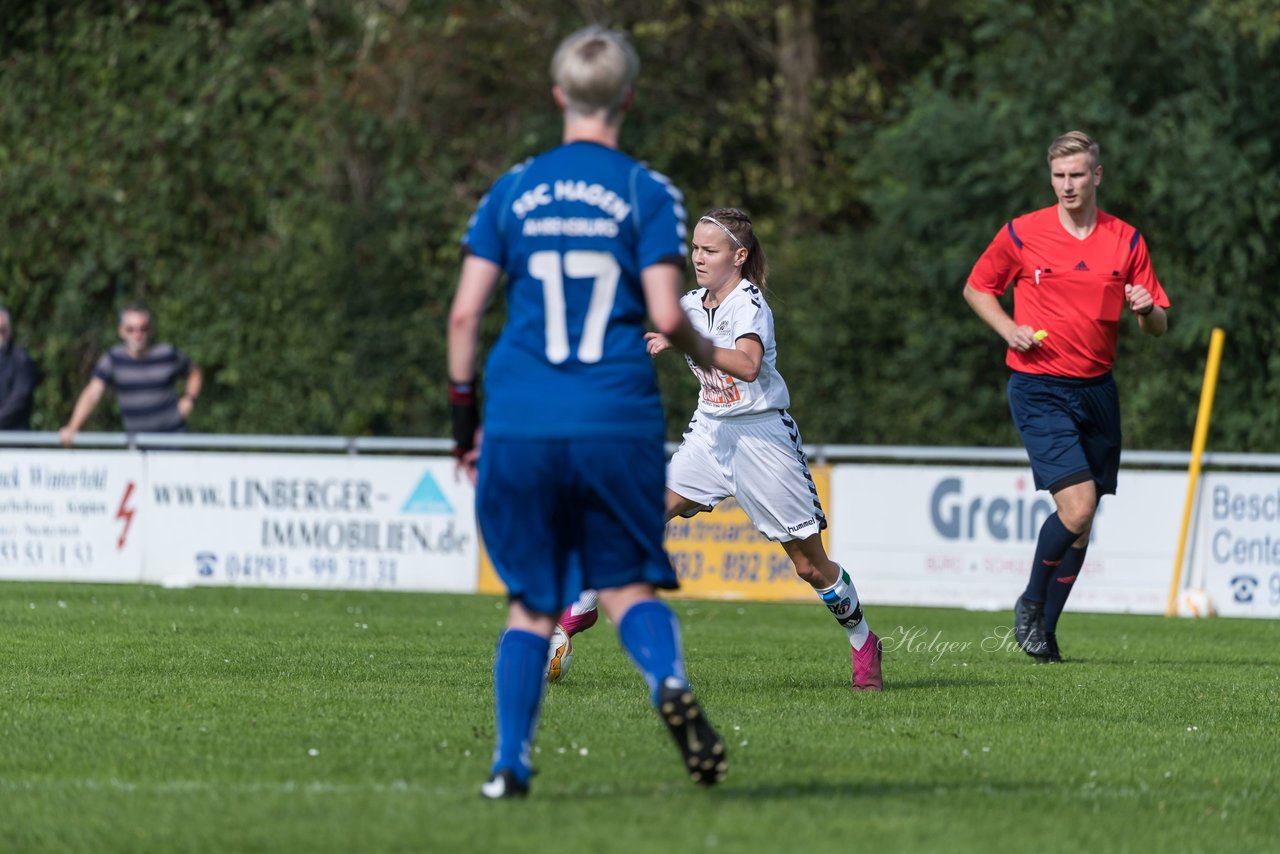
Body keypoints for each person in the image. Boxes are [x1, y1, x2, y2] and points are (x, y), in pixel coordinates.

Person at [447, 25, 725, 800]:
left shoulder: (513, 188)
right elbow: (668, 316)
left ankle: (510, 764)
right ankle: (666, 680)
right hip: (614, 414)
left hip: (524, 416)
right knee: (630, 585)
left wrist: (463, 424)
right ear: (628, 98)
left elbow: (466, 316)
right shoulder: (649, 191)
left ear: (559, 95)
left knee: (531, 602)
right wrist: (711, 359)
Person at [560, 207, 885, 693]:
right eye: (694, 247)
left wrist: (689, 341)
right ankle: (575, 615)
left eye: (709, 250)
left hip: (761, 439)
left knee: (809, 565)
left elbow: (750, 366)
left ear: (739, 255)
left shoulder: (749, 305)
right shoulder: (690, 304)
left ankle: (863, 641)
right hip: (711, 432)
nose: (698, 257)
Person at [963, 130, 1170, 662]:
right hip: (1039, 386)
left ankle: (1044, 635)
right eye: (1059, 176)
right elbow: (976, 287)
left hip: (1098, 390)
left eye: (1077, 174)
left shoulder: (1126, 240)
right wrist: (1006, 327)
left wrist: (1147, 308)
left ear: (1096, 175)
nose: (1067, 185)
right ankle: (1031, 604)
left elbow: (1159, 327)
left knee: (1083, 520)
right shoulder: (1023, 232)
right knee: (1077, 509)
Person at [59, 302, 203, 446]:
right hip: (137, 443)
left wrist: (189, 399)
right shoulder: (113, 358)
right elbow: (92, 393)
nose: (137, 334)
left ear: (151, 330)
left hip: (173, 439)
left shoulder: (167, 354)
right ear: (121, 331)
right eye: (131, 329)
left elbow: (194, 372)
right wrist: (73, 427)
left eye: (143, 328)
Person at [0, 306, 38, 430]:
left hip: (13, 441)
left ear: (9, 329)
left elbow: (19, 400)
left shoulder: (21, 360)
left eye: (2, 329)